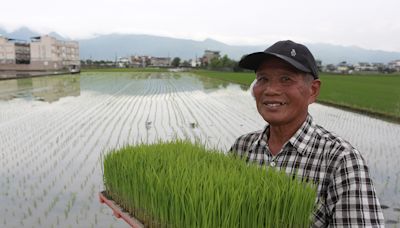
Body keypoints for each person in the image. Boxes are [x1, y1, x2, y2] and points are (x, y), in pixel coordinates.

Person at [229, 40, 384, 227]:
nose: (270, 90)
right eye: (263, 79)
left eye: (286, 79)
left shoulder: (341, 159)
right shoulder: (242, 147)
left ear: (313, 90)